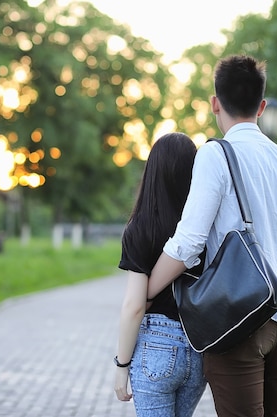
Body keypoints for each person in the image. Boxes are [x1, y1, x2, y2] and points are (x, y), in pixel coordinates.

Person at [147, 55, 277, 417]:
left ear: (215, 103)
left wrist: (145, 292)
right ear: (262, 106)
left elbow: (187, 244)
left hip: (240, 322)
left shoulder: (215, 155)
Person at [114, 133, 207, 417]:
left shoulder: (141, 228)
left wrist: (121, 366)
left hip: (157, 346)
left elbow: (135, 305)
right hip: (199, 348)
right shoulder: (205, 228)